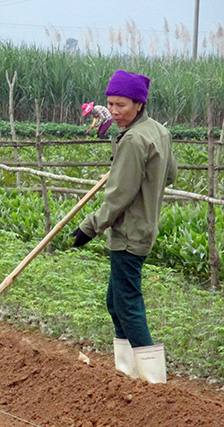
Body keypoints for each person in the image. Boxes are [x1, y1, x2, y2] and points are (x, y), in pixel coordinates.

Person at [70, 71, 177, 383]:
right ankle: (126, 372)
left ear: (139, 103)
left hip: (130, 231)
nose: (114, 111)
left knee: (127, 304)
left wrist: (89, 228)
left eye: (121, 105)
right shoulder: (157, 132)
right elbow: (169, 175)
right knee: (115, 302)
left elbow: (118, 197)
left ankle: (154, 382)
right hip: (144, 227)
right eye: (110, 104)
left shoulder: (132, 140)